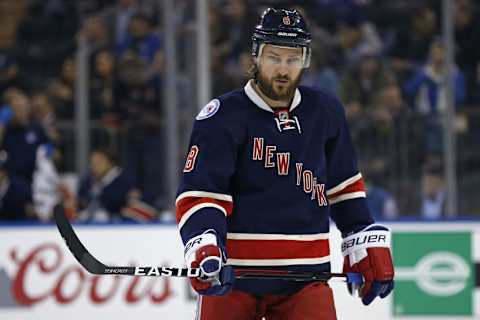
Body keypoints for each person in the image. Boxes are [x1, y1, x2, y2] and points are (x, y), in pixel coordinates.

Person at [176, 8, 394, 320]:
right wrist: (205, 243)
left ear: (305, 60)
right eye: (273, 57)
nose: (283, 69)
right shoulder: (222, 116)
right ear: (256, 56)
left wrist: (360, 237)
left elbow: (344, 188)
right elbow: (201, 194)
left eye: (292, 59)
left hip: (306, 280)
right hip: (234, 280)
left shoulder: (326, 111)